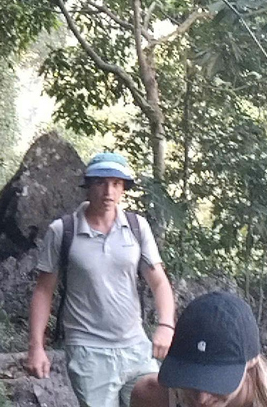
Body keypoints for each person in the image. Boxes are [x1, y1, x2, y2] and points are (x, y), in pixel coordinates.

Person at [26, 152, 176, 407]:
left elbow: (159, 282)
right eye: (101, 183)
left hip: (136, 347)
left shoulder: (137, 227)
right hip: (88, 351)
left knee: (160, 399)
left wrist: (166, 325)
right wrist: (36, 347)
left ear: (123, 189)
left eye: (116, 184)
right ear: (88, 185)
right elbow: (43, 291)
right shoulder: (63, 231)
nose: (108, 191)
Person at [130, 291, 267, 407]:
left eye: (214, 382)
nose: (201, 399)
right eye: (190, 379)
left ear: (250, 363)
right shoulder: (151, 397)